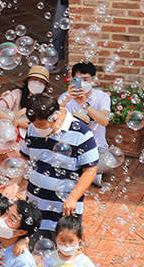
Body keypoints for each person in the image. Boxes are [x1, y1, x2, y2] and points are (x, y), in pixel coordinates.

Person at [20, 94, 100, 235]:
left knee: (63, 248)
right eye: (34, 124)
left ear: (54, 117)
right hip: (35, 204)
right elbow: (25, 158)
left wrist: (73, 198)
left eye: (40, 124)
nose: (36, 128)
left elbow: (90, 170)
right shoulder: (33, 128)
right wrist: (16, 183)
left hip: (63, 208)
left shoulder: (81, 133)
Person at [0, 66, 51, 159]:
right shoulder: (16, 94)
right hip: (9, 137)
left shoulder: (45, 102)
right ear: (27, 81)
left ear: (45, 86)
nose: (37, 83)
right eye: (34, 79)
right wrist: (16, 120)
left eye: (41, 81)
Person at [61, 61, 112, 163]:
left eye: (86, 79)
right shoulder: (65, 97)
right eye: (78, 79)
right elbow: (55, 119)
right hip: (72, 146)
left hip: (96, 146)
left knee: (107, 163)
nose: (82, 83)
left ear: (93, 80)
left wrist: (84, 104)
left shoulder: (102, 97)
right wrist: (66, 99)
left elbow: (104, 121)